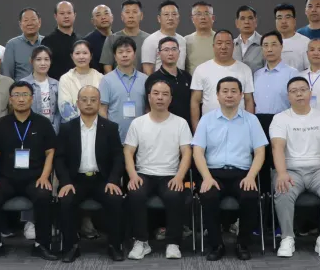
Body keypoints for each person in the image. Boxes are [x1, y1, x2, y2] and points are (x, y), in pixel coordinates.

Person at [0, 81, 59, 261]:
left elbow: (51, 152)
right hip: (6, 178)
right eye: (17, 95)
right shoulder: (1, 124)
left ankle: (42, 245)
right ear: (10, 99)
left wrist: (45, 176)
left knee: (44, 196)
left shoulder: (43, 123)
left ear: (32, 98)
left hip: (34, 178)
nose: (21, 99)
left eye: (25, 95)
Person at [192, 77, 268, 261]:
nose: (229, 95)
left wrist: (251, 176)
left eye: (234, 91)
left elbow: (260, 152)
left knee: (250, 196)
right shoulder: (206, 120)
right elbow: (198, 152)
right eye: (224, 91)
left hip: (243, 173)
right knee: (208, 195)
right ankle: (216, 245)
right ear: (217, 95)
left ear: (241, 95)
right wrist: (207, 177)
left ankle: (243, 244)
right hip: (213, 173)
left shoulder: (251, 120)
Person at [271, 77, 320, 258]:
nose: (299, 94)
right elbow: (277, 147)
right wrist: (281, 173)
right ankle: (287, 237)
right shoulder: (280, 119)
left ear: (310, 93)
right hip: (291, 170)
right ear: (288, 96)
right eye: (294, 91)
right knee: (282, 189)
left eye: (303, 90)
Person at [123, 80, 193, 260]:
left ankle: (173, 243)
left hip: (170, 175)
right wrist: (132, 176)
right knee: (135, 193)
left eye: (164, 94)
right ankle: (141, 242)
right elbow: (128, 151)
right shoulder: (138, 123)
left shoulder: (180, 123)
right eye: (156, 93)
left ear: (170, 99)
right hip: (143, 174)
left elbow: (187, 152)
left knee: (175, 195)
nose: (160, 97)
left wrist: (179, 177)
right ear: (149, 97)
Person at [55, 86, 126, 262]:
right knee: (66, 200)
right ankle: (71, 246)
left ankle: (114, 246)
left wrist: (113, 180)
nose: (88, 103)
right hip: (75, 180)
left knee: (115, 199)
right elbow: (59, 158)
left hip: (102, 180)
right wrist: (65, 182)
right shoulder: (67, 128)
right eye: (84, 100)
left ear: (99, 103)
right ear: (77, 103)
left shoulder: (110, 127)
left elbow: (118, 157)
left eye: (93, 100)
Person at [190, 30, 255, 126]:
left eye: (228, 43)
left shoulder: (245, 69)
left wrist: (250, 126)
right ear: (213, 46)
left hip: (239, 126)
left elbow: (248, 100)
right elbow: (195, 101)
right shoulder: (201, 69)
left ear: (233, 46)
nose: (223, 47)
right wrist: (196, 130)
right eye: (219, 43)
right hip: (210, 126)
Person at [98, 36, 149, 142]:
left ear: (134, 54)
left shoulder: (145, 79)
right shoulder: (106, 80)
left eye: (128, 51)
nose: (124, 55)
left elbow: (148, 109)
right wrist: (107, 134)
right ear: (115, 56)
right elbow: (102, 110)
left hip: (141, 137)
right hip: (115, 138)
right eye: (120, 52)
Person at [144, 37, 192, 122]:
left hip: (185, 125)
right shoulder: (153, 79)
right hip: (162, 125)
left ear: (179, 52)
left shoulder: (187, 76)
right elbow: (149, 107)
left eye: (174, 49)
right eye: (166, 50)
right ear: (159, 53)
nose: (170, 53)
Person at [253, 31, 298, 119]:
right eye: (265, 45)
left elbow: (297, 102)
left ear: (281, 47)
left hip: (283, 121)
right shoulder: (257, 74)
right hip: (259, 122)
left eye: (273, 45)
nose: (269, 49)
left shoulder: (292, 73)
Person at [57, 40, 104, 123]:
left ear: (91, 56)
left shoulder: (100, 77)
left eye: (85, 53)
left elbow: (103, 105)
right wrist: (83, 124)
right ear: (72, 56)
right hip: (73, 126)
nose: (81, 57)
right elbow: (64, 107)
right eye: (77, 53)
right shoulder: (65, 78)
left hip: (97, 125)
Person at [18, 46, 61, 131]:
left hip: (52, 130)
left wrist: (55, 127)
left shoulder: (56, 84)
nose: (43, 63)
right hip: (30, 130)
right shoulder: (23, 84)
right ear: (31, 61)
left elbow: (59, 111)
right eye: (38, 59)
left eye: (46, 59)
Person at [100, 0, 150, 72]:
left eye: (135, 12)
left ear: (141, 16)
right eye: (127, 12)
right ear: (122, 17)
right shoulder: (111, 39)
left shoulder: (148, 39)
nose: (131, 16)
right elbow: (107, 66)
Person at [142, 0, 188, 74]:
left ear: (178, 18)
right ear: (159, 18)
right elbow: (147, 71)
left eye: (174, 14)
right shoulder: (150, 40)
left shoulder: (182, 40)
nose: (170, 18)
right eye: (166, 14)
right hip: (159, 81)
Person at [2, 7, 43, 79]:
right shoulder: (12, 44)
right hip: (20, 86)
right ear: (20, 24)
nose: (30, 23)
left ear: (39, 22)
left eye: (33, 19)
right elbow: (7, 75)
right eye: (26, 20)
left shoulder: (47, 42)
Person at [43, 1, 78, 80]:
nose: (66, 16)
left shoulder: (81, 41)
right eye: (62, 13)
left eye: (69, 13)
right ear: (55, 16)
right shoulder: (47, 41)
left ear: (74, 15)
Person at [273, 3, 310, 71]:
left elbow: (310, 70)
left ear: (294, 20)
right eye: (279, 18)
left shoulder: (305, 42)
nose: (283, 21)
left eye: (287, 17)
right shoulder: (270, 42)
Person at [184, 1, 215, 74]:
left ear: (213, 18)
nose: (202, 17)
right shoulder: (185, 40)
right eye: (198, 14)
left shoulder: (220, 39)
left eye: (206, 14)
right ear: (192, 19)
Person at [83, 5, 113, 74]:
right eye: (98, 15)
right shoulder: (87, 42)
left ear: (112, 17)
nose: (103, 17)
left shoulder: (119, 39)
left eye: (106, 13)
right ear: (93, 21)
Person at [233, 5, 263, 72]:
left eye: (250, 18)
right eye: (242, 18)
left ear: (256, 22)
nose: (246, 22)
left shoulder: (264, 43)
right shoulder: (231, 45)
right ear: (237, 23)